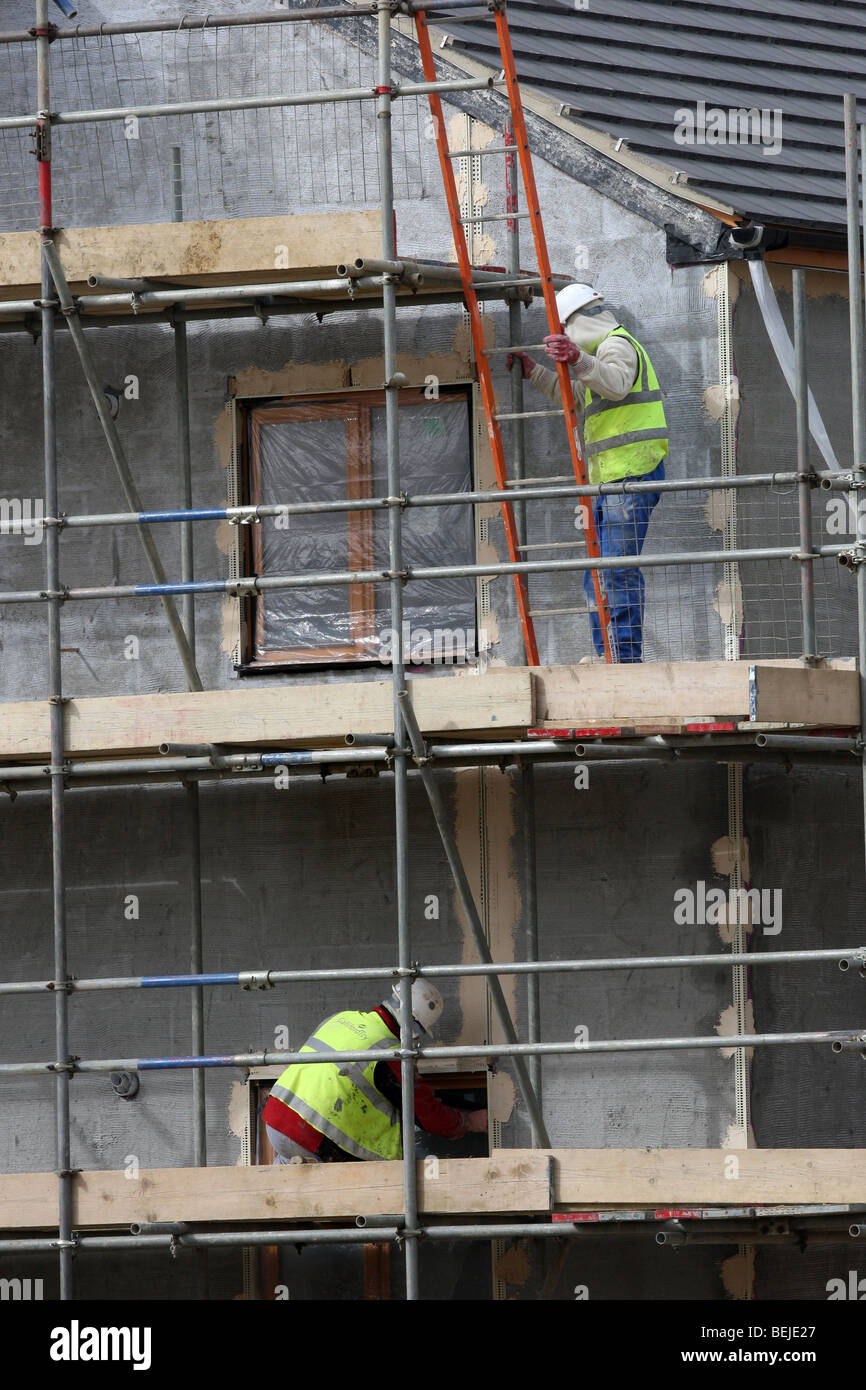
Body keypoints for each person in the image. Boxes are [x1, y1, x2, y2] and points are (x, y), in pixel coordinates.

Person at [507, 283, 668, 663]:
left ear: (574, 323)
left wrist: (578, 356)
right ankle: (606, 655)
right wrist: (535, 372)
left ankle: (624, 659)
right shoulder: (597, 355)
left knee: (614, 570)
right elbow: (582, 396)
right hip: (608, 481)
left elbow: (614, 384)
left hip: (631, 476)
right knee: (595, 574)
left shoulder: (616, 345)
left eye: (563, 330)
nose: (562, 338)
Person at [262, 980, 488, 1163]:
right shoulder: (390, 1055)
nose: (416, 1039)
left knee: (288, 1174)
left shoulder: (342, 1018)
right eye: (418, 1031)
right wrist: (469, 1121)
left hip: (276, 1121)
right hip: (315, 1136)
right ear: (410, 1023)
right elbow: (426, 1115)